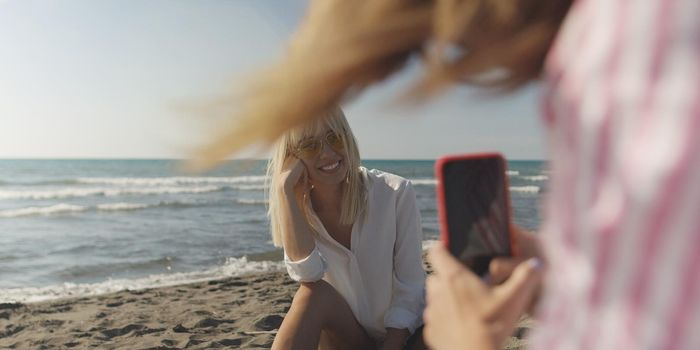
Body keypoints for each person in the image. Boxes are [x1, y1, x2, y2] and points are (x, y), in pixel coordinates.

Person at [195, 0, 700, 349]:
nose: (451, 53)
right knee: (314, 295)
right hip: (352, 336)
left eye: (425, 41)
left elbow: (648, 321)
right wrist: (555, 274)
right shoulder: (611, 45)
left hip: (402, 338)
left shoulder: (620, 48)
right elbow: (657, 269)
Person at [265, 108, 426, 350]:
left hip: (408, 335)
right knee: (312, 294)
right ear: (292, 158)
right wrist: (284, 190)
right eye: (310, 146)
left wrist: (394, 342)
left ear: (348, 138)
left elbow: (411, 283)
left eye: (335, 138)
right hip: (349, 338)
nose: (328, 153)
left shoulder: (395, 193)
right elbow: (307, 274)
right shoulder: (301, 212)